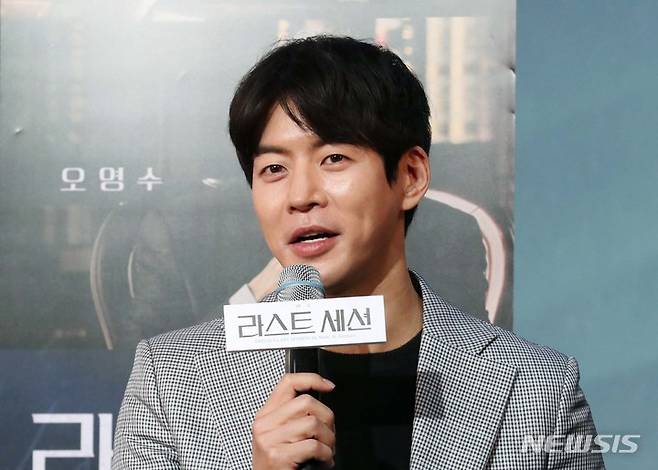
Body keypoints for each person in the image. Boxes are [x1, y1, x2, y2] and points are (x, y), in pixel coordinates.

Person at [112, 36, 604, 469]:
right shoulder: (170, 380)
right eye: (274, 169)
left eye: (333, 158)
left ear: (410, 176)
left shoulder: (539, 388)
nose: (301, 196)